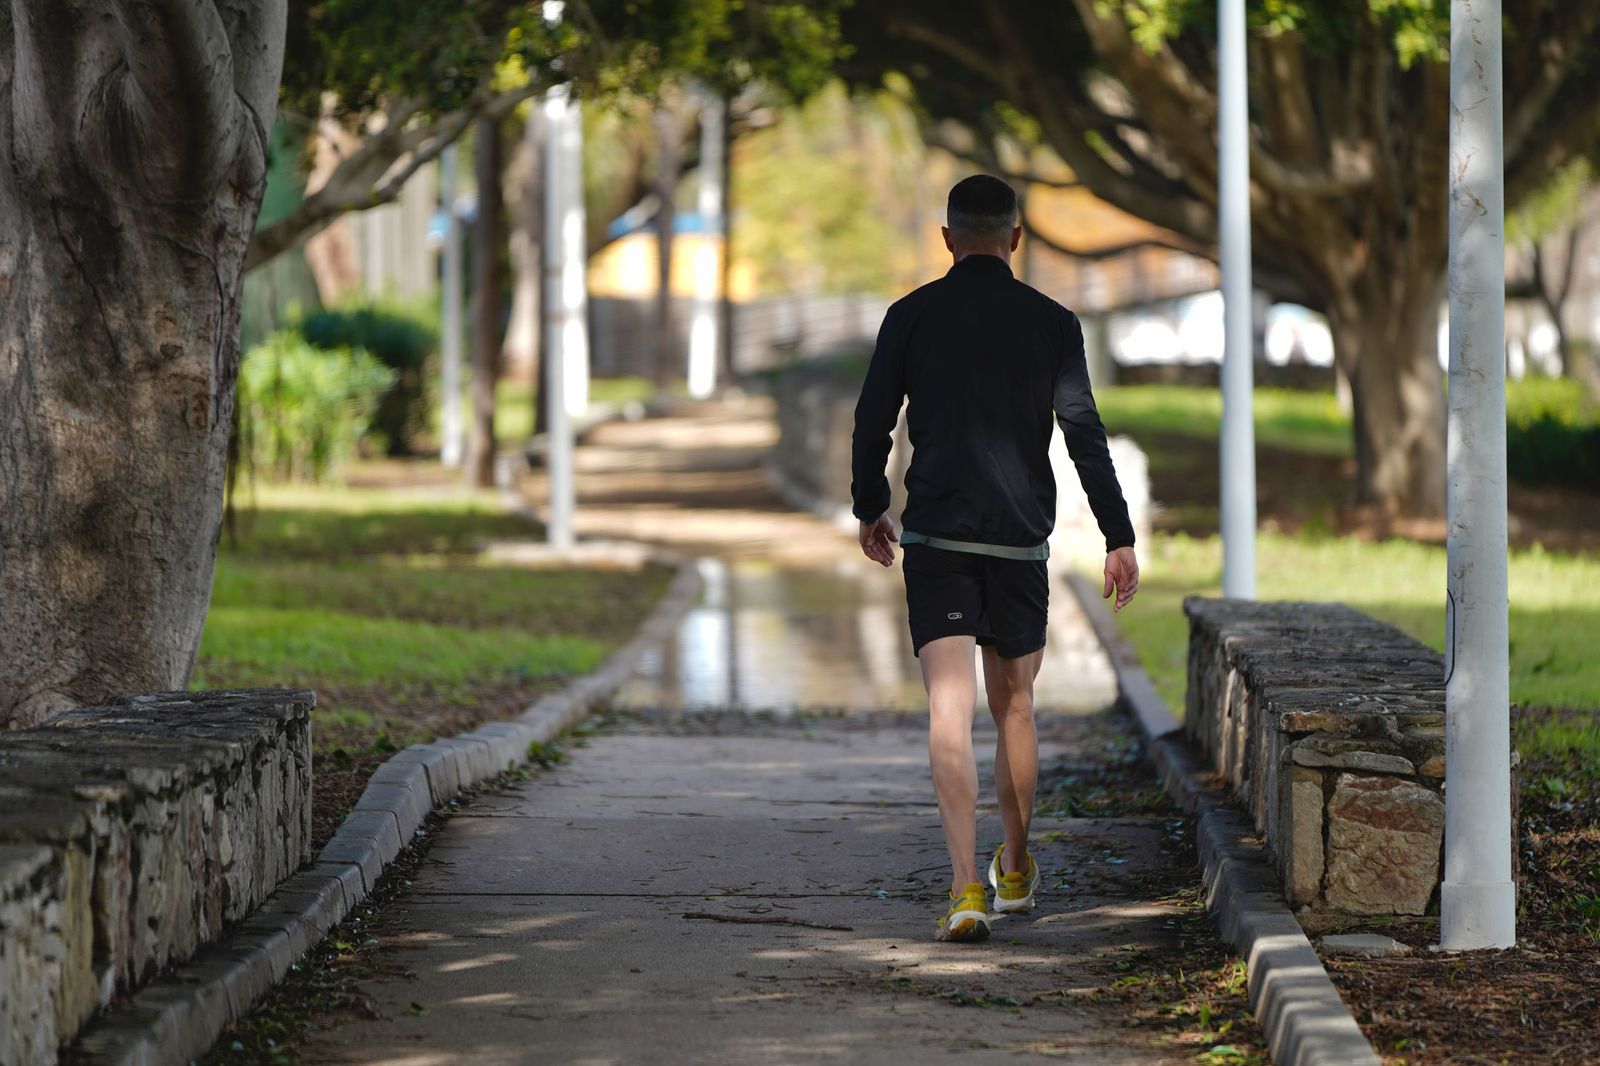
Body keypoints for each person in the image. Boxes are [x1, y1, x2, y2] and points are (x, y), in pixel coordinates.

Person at [850, 174, 1140, 942]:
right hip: (1017, 542)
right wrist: (1118, 534)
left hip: (937, 539)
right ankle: (1015, 868)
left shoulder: (909, 316)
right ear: (1016, 238)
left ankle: (963, 887)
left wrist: (867, 505)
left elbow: (872, 419)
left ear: (948, 239)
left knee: (950, 709)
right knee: (1015, 706)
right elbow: (1084, 433)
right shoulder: (1053, 323)